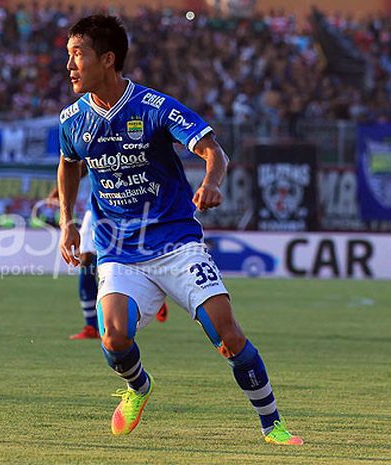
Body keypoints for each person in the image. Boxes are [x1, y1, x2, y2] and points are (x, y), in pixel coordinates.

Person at [56, 14, 303, 445]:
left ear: (108, 60)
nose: (70, 65)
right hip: (119, 249)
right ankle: (138, 387)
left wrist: (210, 182)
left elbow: (214, 151)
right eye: (68, 55)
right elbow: (68, 165)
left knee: (226, 335)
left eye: (78, 55)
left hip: (176, 243)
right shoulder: (72, 120)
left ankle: (272, 424)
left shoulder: (153, 107)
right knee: (113, 337)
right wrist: (67, 221)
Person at [48, 173, 169, 340]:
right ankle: (91, 326)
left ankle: (151, 292)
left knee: (127, 257)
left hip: (130, 207)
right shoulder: (94, 149)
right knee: (86, 261)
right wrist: (64, 188)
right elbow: (77, 163)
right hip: (98, 209)